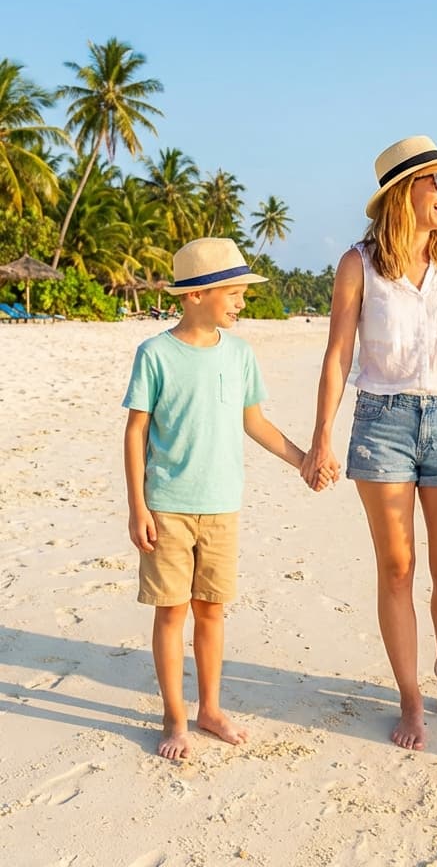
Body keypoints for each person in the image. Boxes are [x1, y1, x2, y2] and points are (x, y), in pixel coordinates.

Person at [301, 135, 437, 751]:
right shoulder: (358, 264)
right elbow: (338, 355)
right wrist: (321, 439)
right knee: (397, 567)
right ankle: (408, 696)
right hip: (382, 424)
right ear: (405, 191)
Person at [123, 237, 320, 760]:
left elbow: (255, 422)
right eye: (232, 293)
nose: (241, 302)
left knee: (212, 609)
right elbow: (135, 431)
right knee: (171, 613)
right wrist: (137, 506)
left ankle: (210, 708)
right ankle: (174, 718)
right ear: (195, 295)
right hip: (166, 506)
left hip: (222, 506)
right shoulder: (155, 354)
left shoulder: (240, 354)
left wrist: (303, 460)